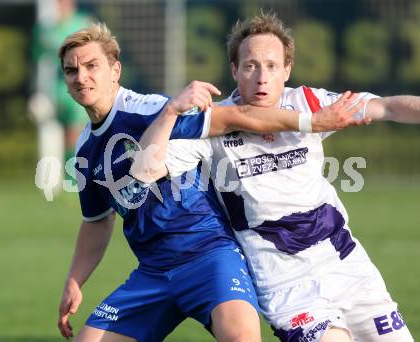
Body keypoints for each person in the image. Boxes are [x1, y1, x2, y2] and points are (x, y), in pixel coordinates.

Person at [56, 22, 366, 342]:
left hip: (210, 256)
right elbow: (96, 222)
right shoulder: (86, 149)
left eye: (92, 66)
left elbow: (234, 117)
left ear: (115, 70)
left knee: (242, 338)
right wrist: (74, 281)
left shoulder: (153, 111)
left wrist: (310, 122)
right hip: (153, 272)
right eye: (71, 71)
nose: (81, 78)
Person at [131, 12, 417, 342]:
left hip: (346, 264)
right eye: (251, 65)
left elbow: (389, 107)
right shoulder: (214, 125)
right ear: (234, 70)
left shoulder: (309, 103)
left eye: (271, 65)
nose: (261, 77)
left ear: (287, 70)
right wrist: (171, 112)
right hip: (286, 284)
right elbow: (144, 169)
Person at [30, 0, 91, 190]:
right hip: (57, 88)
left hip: (80, 84)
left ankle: (76, 181)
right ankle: (67, 179)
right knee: (62, 134)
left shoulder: (83, 24)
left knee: (76, 132)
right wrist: (36, 91)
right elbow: (37, 55)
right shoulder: (47, 29)